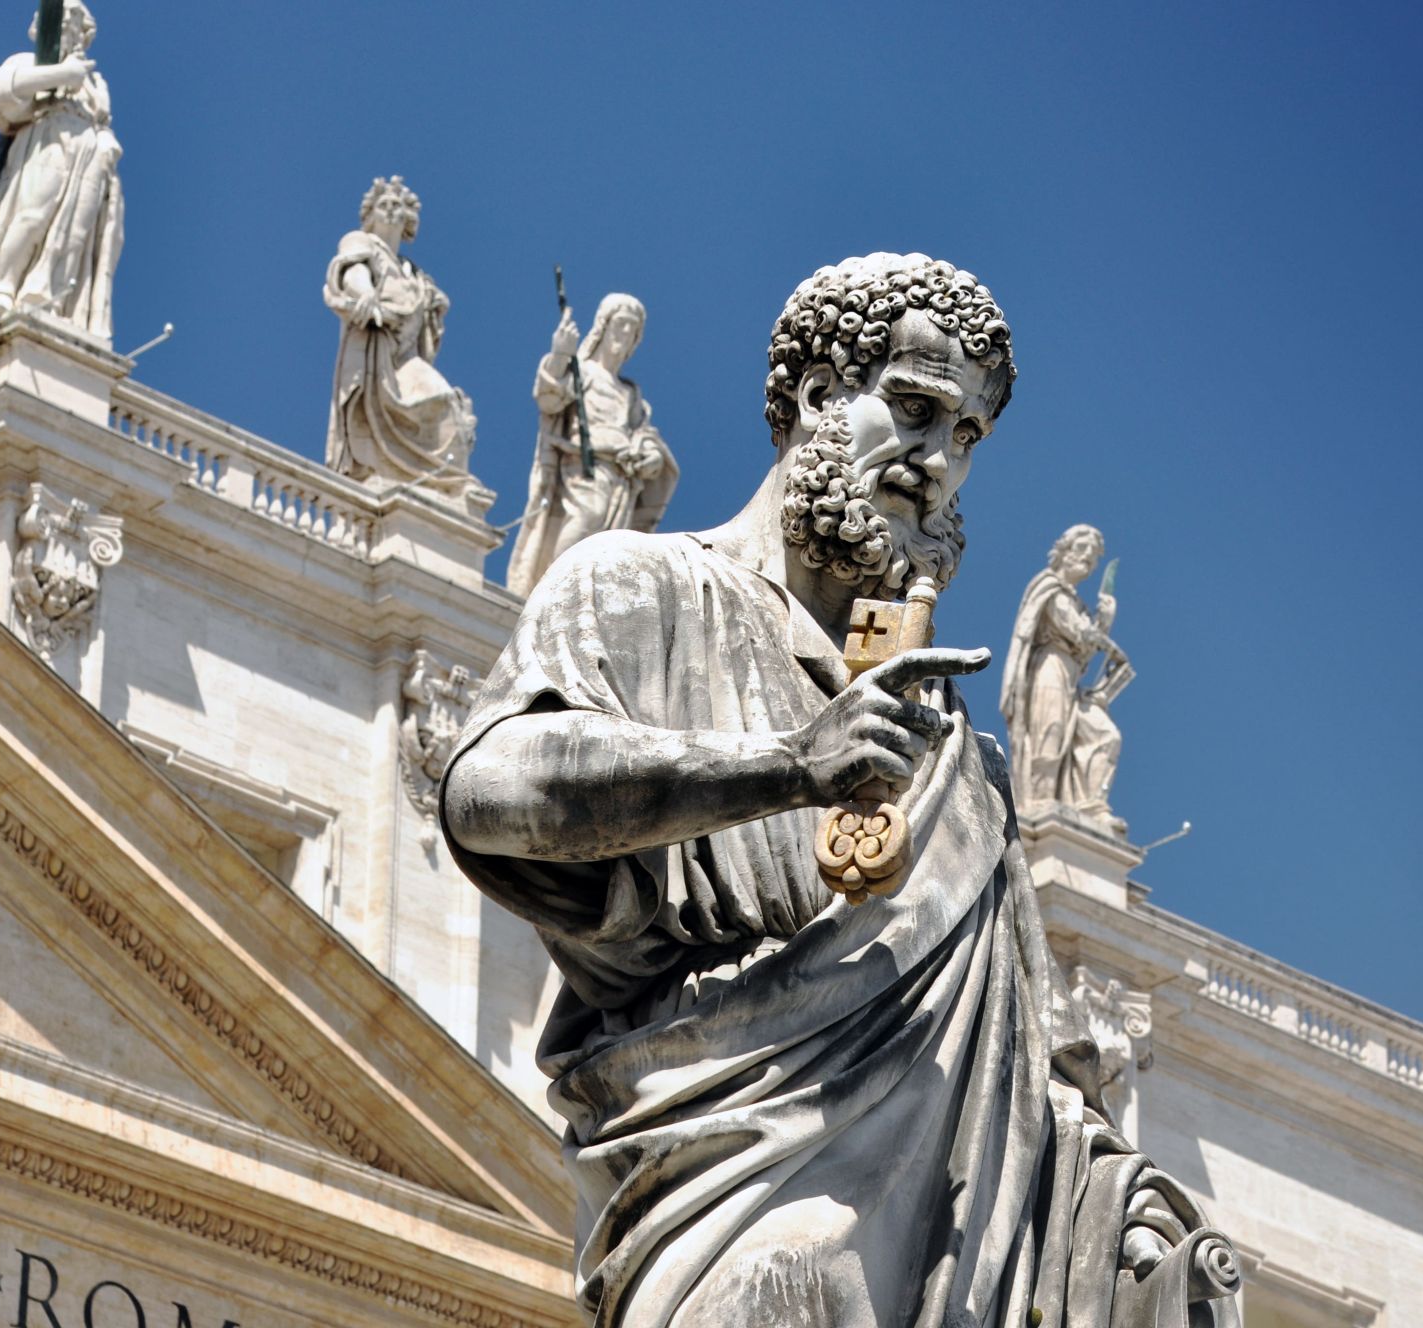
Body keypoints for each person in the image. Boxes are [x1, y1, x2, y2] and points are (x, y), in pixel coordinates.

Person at [441, 253, 1238, 1327]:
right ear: (819, 394)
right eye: (915, 409)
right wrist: (788, 766)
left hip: (950, 1266)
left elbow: (1017, 1072)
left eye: (967, 437)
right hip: (727, 1203)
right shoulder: (640, 585)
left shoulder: (959, 754)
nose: (937, 462)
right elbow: (489, 791)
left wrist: (1119, 1217)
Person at [506, 294, 679, 598]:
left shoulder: (630, 393)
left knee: (609, 547)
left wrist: (651, 455)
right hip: (584, 469)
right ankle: (555, 590)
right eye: (621, 324)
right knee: (587, 517)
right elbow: (549, 399)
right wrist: (561, 353)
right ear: (604, 326)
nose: (626, 333)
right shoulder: (582, 372)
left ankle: (585, 597)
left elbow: (644, 434)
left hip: (622, 479)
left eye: (633, 330)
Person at [0, 0, 124, 342]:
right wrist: (61, 75)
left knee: (76, 232)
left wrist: (105, 140)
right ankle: (4, 287)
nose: (68, 31)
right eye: (62, 24)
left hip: (90, 154)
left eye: (75, 26)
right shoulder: (30, 62)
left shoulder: (95, 83)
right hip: (48, 139)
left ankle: (48, 299)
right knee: (32, 214)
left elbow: (102, 121)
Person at [322, 176, 479, 499]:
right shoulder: (360, 241)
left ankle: (446, 485)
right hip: (376, 348)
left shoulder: (414, 273)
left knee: (446, 405)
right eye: (384, 205)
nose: (391, 210)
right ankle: (384, 473)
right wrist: (366, 294)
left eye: (397, 205)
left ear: (408, 218)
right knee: (428, 405)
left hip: (406, 356)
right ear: (371, 215)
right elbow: (352, 271)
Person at [1000, 524, 1128, 833]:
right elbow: (1075, 630)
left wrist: (1103, 624)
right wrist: (1102, 631)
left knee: (1105, 735)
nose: (1088, 559)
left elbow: (1085, 651)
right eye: (1082, 550)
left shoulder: (1077, 604)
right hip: (1049, 668)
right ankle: (1039, 802)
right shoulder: (1048, 587)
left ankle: (1090, 806)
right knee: (1050, 730)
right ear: (1064, 550)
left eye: (1093, 556)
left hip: (1071, 678)